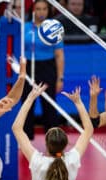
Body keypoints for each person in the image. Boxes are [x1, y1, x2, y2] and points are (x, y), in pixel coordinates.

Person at [12, 84, 93, 180]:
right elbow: (88, 130)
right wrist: (78, 103)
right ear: (65, 145)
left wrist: (30, 99)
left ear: (46, 144)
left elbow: (17, 128)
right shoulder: (71, 160)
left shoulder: (37, 162)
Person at [21, 0, 65, 140]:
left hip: (48, 68)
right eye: (38, 9)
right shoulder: (25, 27)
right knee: (27, 105)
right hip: (28, 68)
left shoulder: (54, 27)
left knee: (49, 106)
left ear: (49, 10)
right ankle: (26, 139)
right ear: (33, 10)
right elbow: (18, 51)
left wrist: (60, 78)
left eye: (44, 9)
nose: (41, 12)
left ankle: (53, 140)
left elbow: (59, 55)